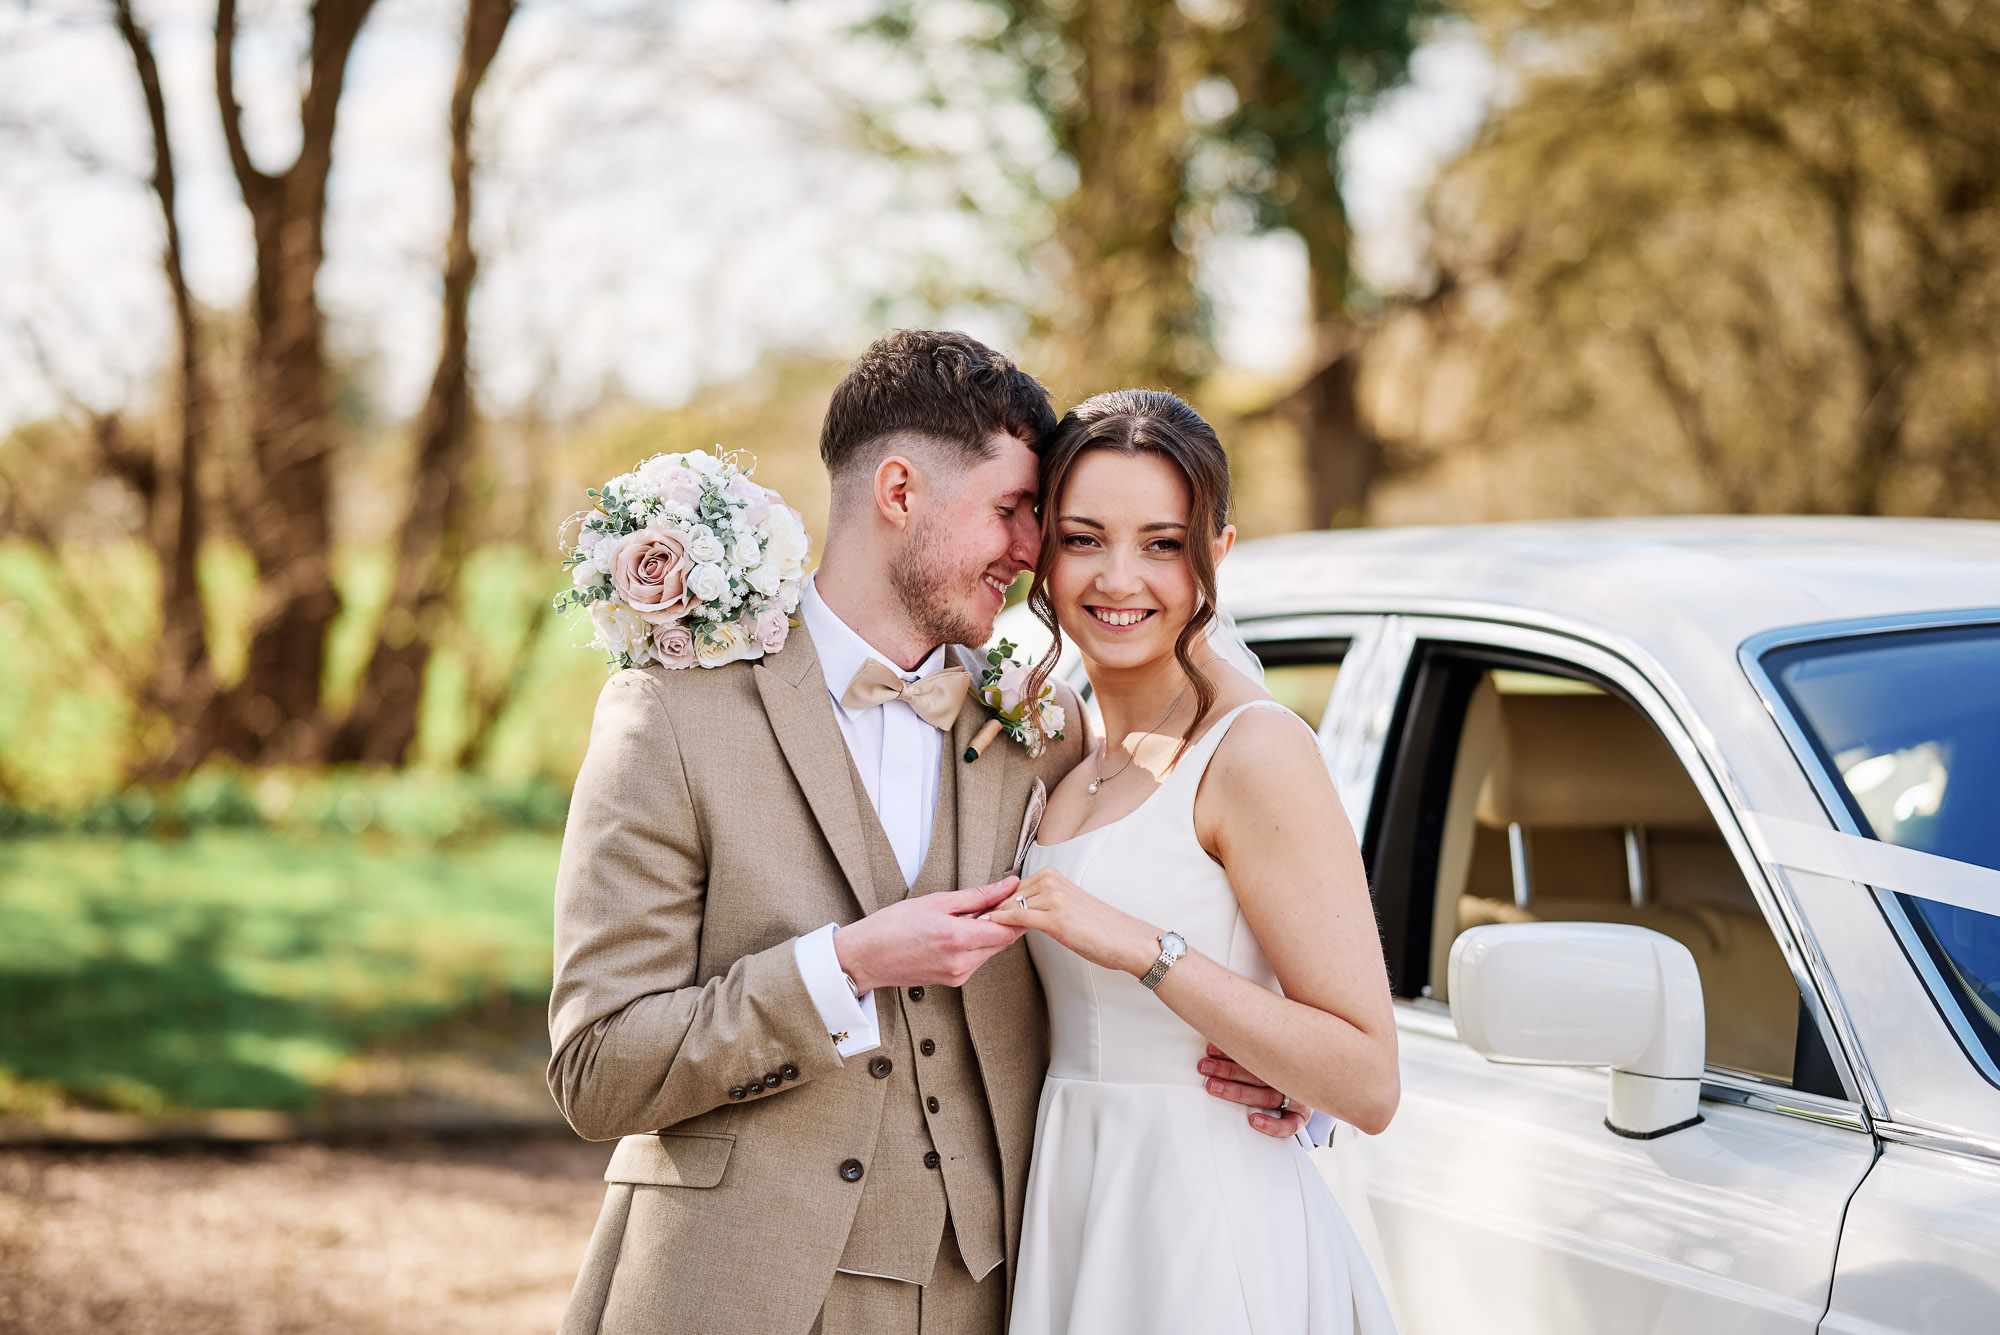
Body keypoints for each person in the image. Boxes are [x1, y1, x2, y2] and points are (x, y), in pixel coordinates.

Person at [546, 333, 1308, 1335]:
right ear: (898, 490)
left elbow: (1176, 908)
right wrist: (841, 967)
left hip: (986, 1295)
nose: (1032, 553)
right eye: (1009, 512)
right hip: (731, 1293)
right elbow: (596, 1070)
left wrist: (1276, 1069)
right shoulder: (673, 719)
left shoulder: (1044, 730)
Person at [987, 390, 1402, 1335]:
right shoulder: (1066, 749)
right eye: (1083, 538)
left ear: (1217, 551)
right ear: (1043, 551)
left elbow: (1368, 1078)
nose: (1118, 576)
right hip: (1080, 1191)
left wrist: (1148, 950)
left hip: (1204, 1219)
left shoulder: (1253, 752)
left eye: (1163, 543)